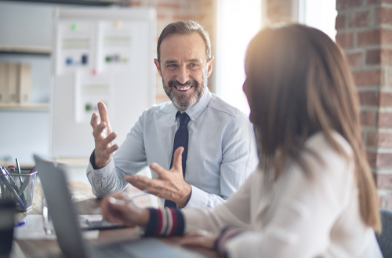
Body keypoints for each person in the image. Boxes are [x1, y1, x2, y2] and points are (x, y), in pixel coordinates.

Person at [100, 24, 383, 257]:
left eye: (254, 77)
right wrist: (146, 219)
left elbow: (281, 252)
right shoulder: (281, 157)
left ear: (286, 88)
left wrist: (223, 242)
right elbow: (222, 218)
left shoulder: (325, 156)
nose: (245, 87)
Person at [87, 20, 258, 209]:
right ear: (159, 68)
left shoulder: (234, 125)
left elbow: (238, 212)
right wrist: (102, 162)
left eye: (193, 65)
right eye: (172, 65)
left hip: (210, 238)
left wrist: (186, 196)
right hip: (162, 233)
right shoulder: (149, 121)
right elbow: (108, 189)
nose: (182, 78)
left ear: (208, 67)